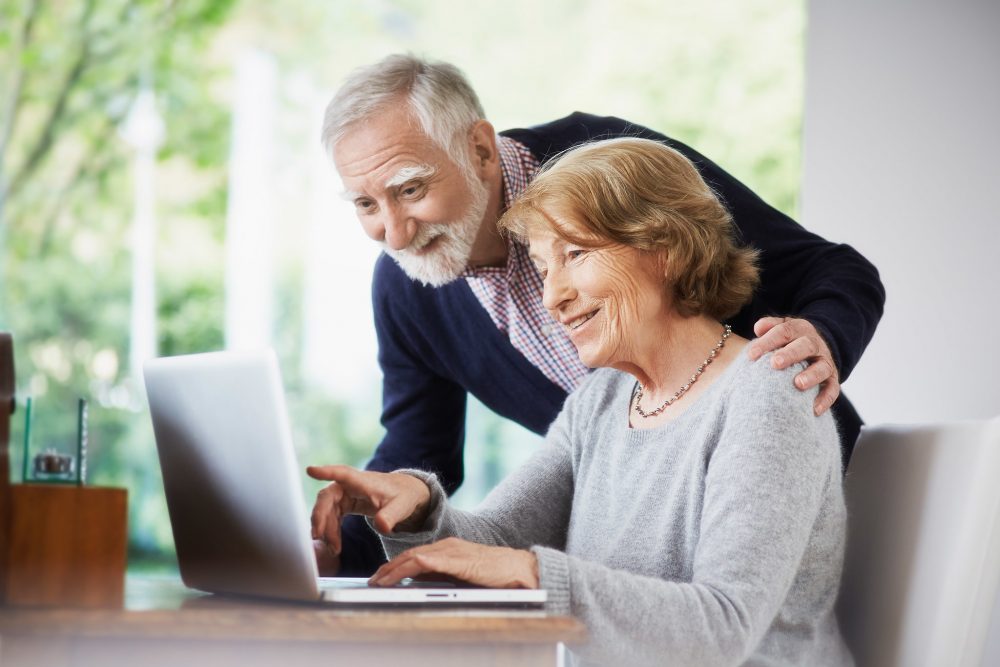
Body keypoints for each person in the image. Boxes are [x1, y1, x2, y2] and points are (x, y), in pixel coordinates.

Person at [320, 54, 884, 575]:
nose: (392, 234)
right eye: (366, 205)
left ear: (481, 151)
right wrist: (325, 551)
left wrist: (820, 338)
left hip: (794, 504)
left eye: (411, 189)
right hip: (639, 566)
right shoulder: (409, 285)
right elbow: (419, 453)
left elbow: (834, 270)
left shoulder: (609, 165)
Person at [308, 137, 852, 666]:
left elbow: (722, 627)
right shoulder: (603, 399)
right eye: (544, 268)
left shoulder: (769, 390)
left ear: (664, 249)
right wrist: (418, 507)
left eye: (576, 255)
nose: (552, 297)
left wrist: (536, 576)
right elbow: (496, 540)